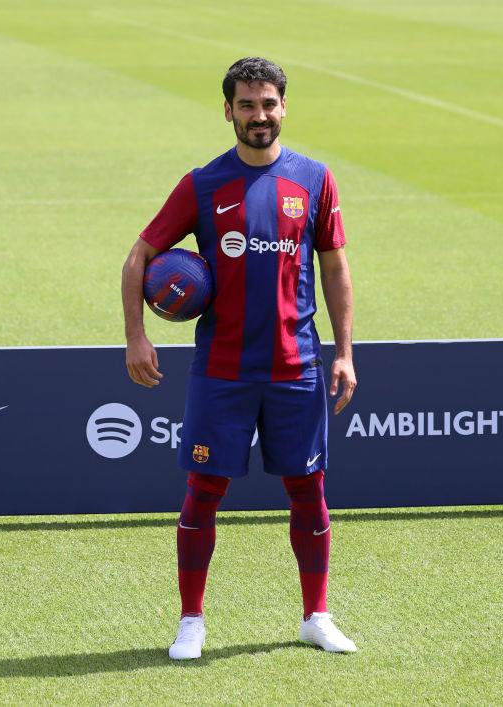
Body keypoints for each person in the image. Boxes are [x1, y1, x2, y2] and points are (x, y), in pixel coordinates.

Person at [120, 57, 357, 660]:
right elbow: (137, 258)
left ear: (284, 107)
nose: (259, 115)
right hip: (222, 370)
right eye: (247, 105)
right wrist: (136, 336)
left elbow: (334, 268)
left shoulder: (315, 180)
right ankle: (191, 622)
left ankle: (316, 616)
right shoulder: (202, 184)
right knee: (203, 491)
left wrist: (345, 352)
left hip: (296, 368)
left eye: (268, 104)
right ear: (227, 110)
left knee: (309, 490)